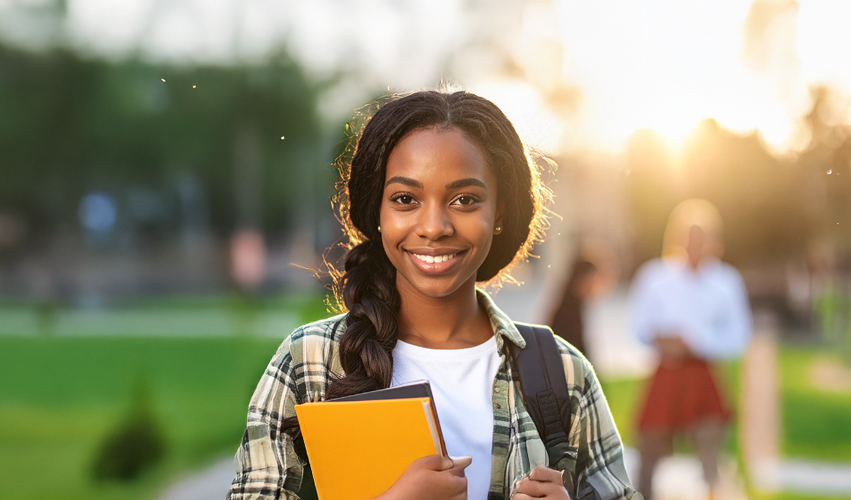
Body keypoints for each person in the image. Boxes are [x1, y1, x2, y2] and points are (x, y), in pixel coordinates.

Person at [228, 90, 641, 500]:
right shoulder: (309, 361)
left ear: (499, 213)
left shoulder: (561, 373)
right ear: (378, 211)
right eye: (405, 199)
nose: (434, 226)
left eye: (465, 200)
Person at [627, 199, 752, 500]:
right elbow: (638, 326)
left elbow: (739, 336)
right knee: (648, 450)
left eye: (701, 237)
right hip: (665, 374)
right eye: (689, 236)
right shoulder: (654, 276)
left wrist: (695, 342)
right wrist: (663, 340)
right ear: (677, 236)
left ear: (713, 240)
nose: (694, 244)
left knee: (710, 455)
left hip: (704, 375)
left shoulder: (726, 281)